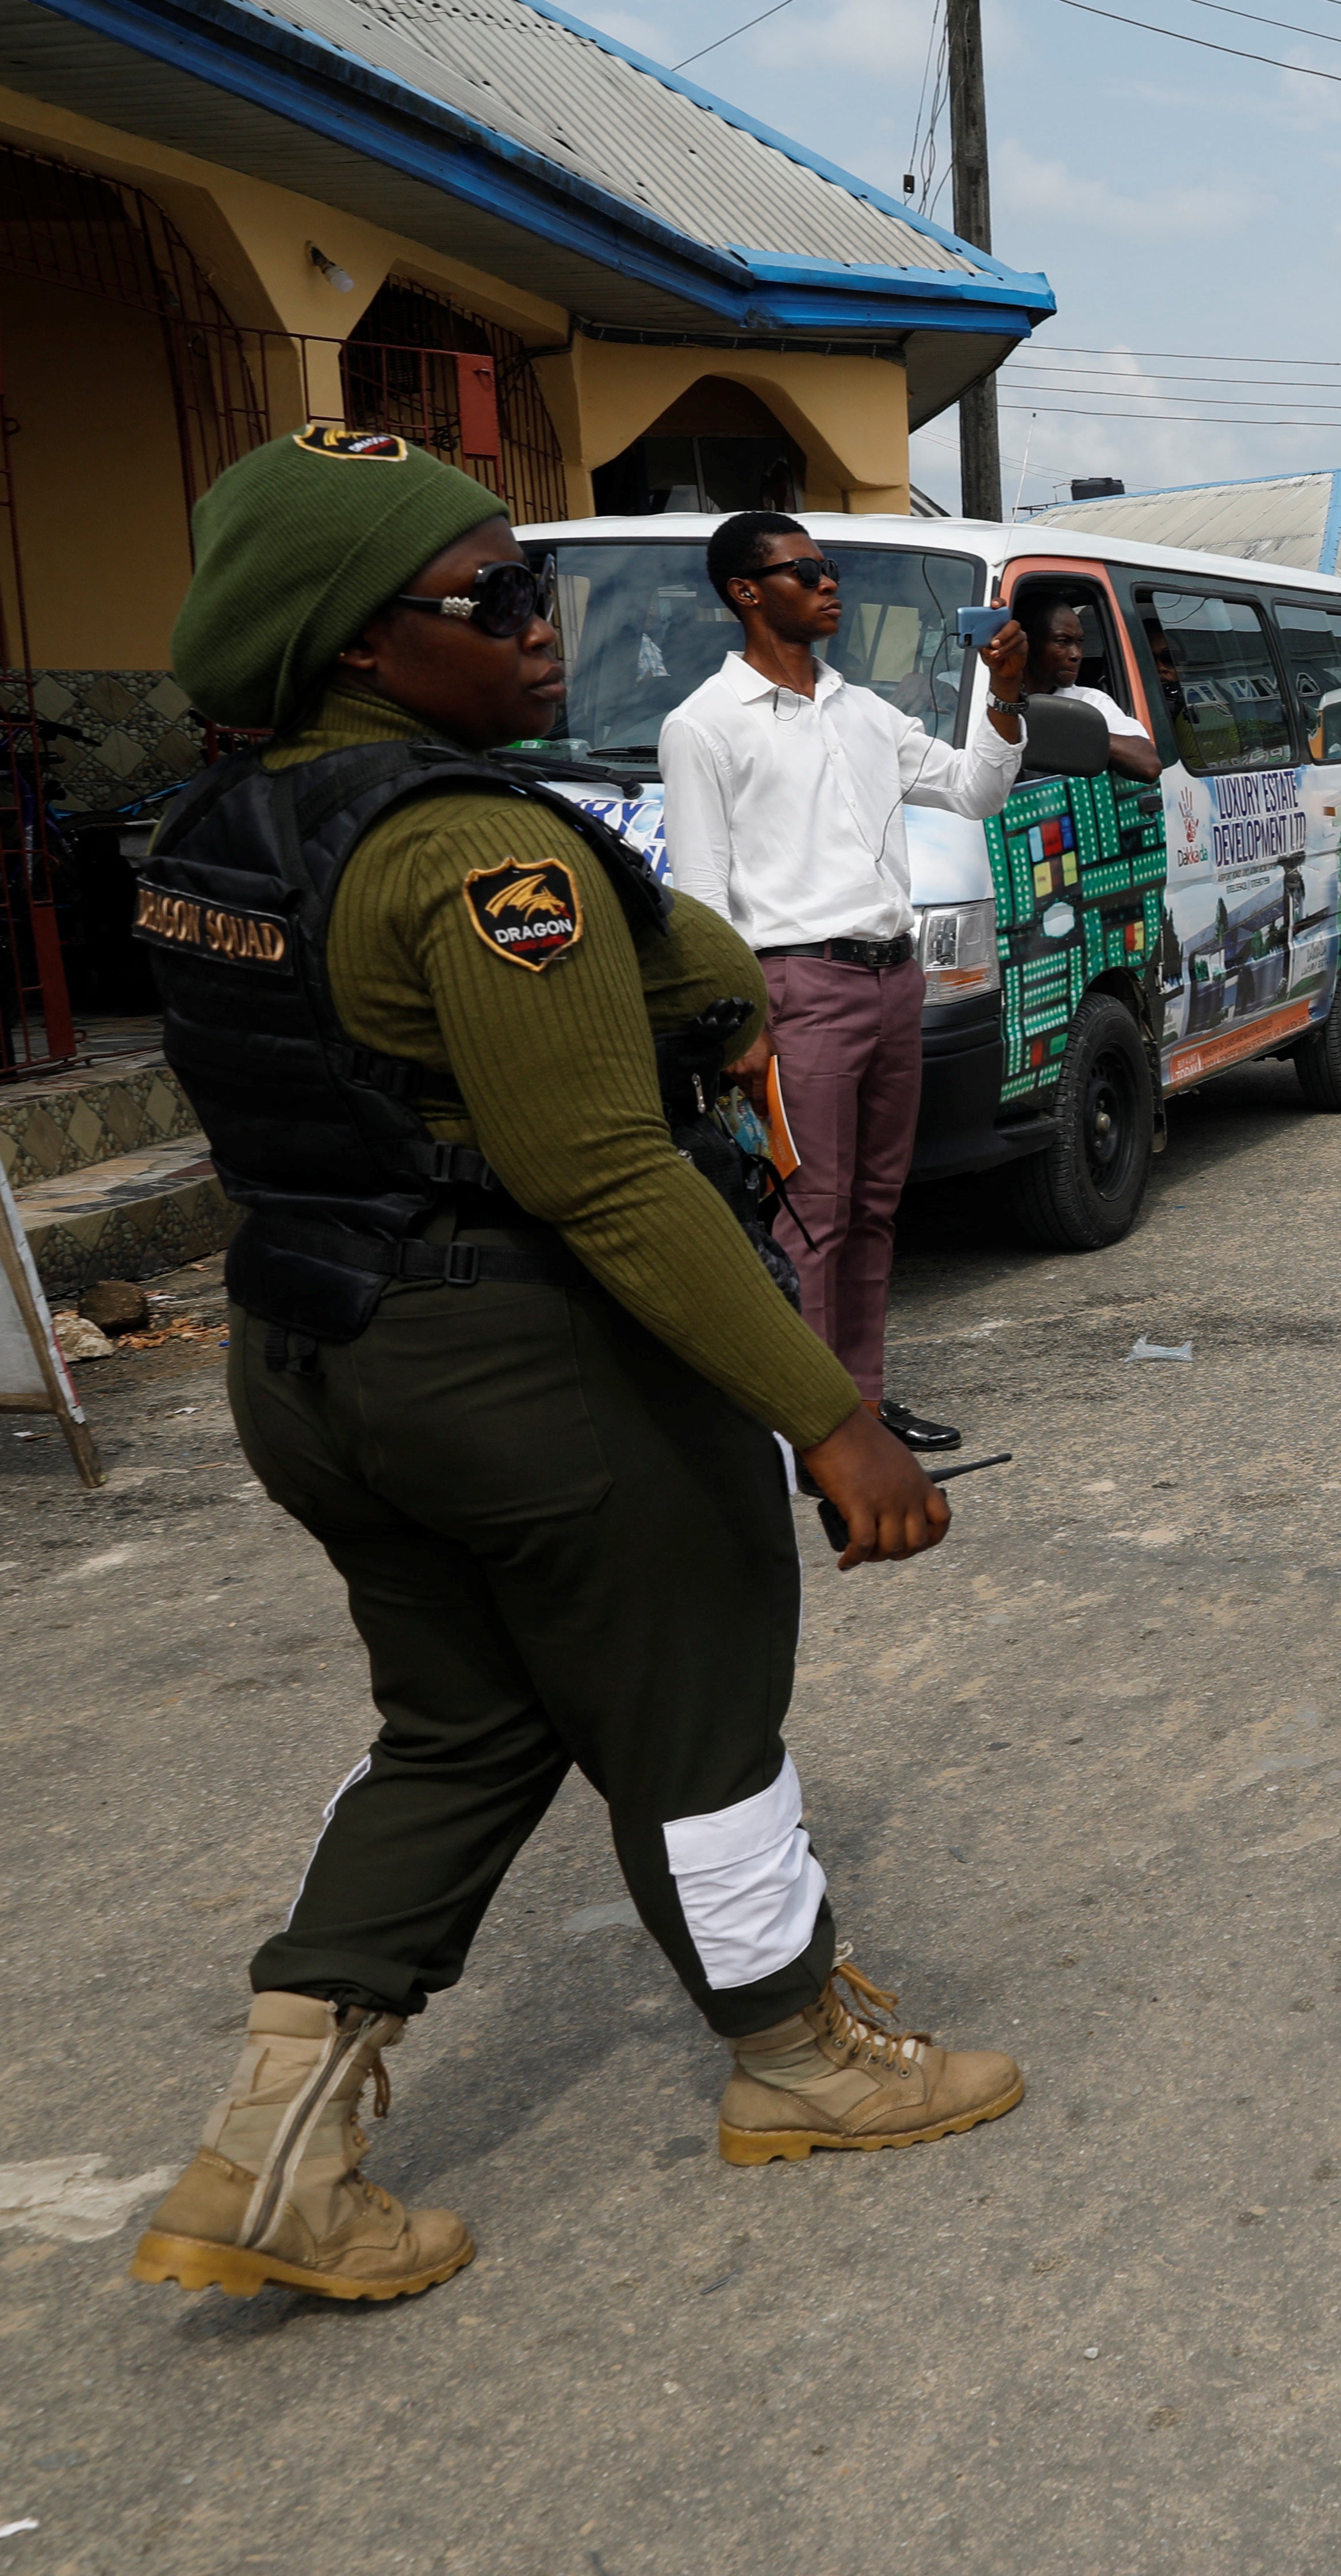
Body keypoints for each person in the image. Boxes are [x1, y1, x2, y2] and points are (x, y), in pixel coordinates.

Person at [124, 431, 1018, 2307]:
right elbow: (602, 1173)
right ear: (368, 643)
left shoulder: (216, 835)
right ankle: (796, 2055)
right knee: (697, 1706)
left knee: (460, 1726)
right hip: (520, 1362)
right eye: (504, 601)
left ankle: (272, 2153)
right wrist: (831, 1416)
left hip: (314, 1349)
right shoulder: (474, 853)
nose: (547, 633)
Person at [658, 511, 1030, 1452]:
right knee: (809, 1214)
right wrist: (740, 1027)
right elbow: (702, 895)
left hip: (892, 980)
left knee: (872, 1204)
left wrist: (1007, 694)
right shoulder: (702, 726)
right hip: (798, 989)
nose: (830, 585)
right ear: (747, 592)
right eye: (806, 571)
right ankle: (807, 1426)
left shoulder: (864, 712)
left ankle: (860, 1406)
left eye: (830, 571)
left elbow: (976, 790)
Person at [1018, 588, 1163, 783]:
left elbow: (1149, 766)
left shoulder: (1090, 701)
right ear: (1025, 643)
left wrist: (1070, 734)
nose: (1076, 654)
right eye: (1063, 642)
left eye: (1080, 642)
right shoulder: (987, 699)